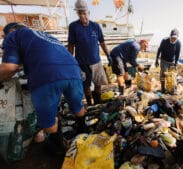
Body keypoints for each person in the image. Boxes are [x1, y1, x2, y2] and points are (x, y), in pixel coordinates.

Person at [0, 22, 85, 152]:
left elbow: (9, 67)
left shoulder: (13, 36)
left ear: (11, 30)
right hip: (74, 71)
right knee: (77, 105)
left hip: (46, 75)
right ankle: (83, 129)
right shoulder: (45, 35)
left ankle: (57, 150)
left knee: (48, 119)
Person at [68, 0, 111, 106]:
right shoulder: (73, 26)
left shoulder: (95, 26)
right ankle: (89, 103)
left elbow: (102, 42)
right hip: (82, 63)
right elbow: (71, 45)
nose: (83, 16)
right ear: (77, 14)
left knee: (98, 83)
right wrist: (70, 61)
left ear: (89, 12)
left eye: (85, 13)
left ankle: (97, 102)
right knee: (86, 85)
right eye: (80, 13)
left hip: (96, 61)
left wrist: (108, 55)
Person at [155, 28, 181, 93]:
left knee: (172, 76)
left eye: (175, 38)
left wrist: (176, 64)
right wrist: (156, 60)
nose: (173, 39)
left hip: (172, 61)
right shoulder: (164, 40)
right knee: (163, 74)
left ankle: (171, 89)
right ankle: (163, 88)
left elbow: (177, 54)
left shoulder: (178, 43)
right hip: (164, 60)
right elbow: (159, 50)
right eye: (172, 37)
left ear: (177, 37)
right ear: (170, 36)